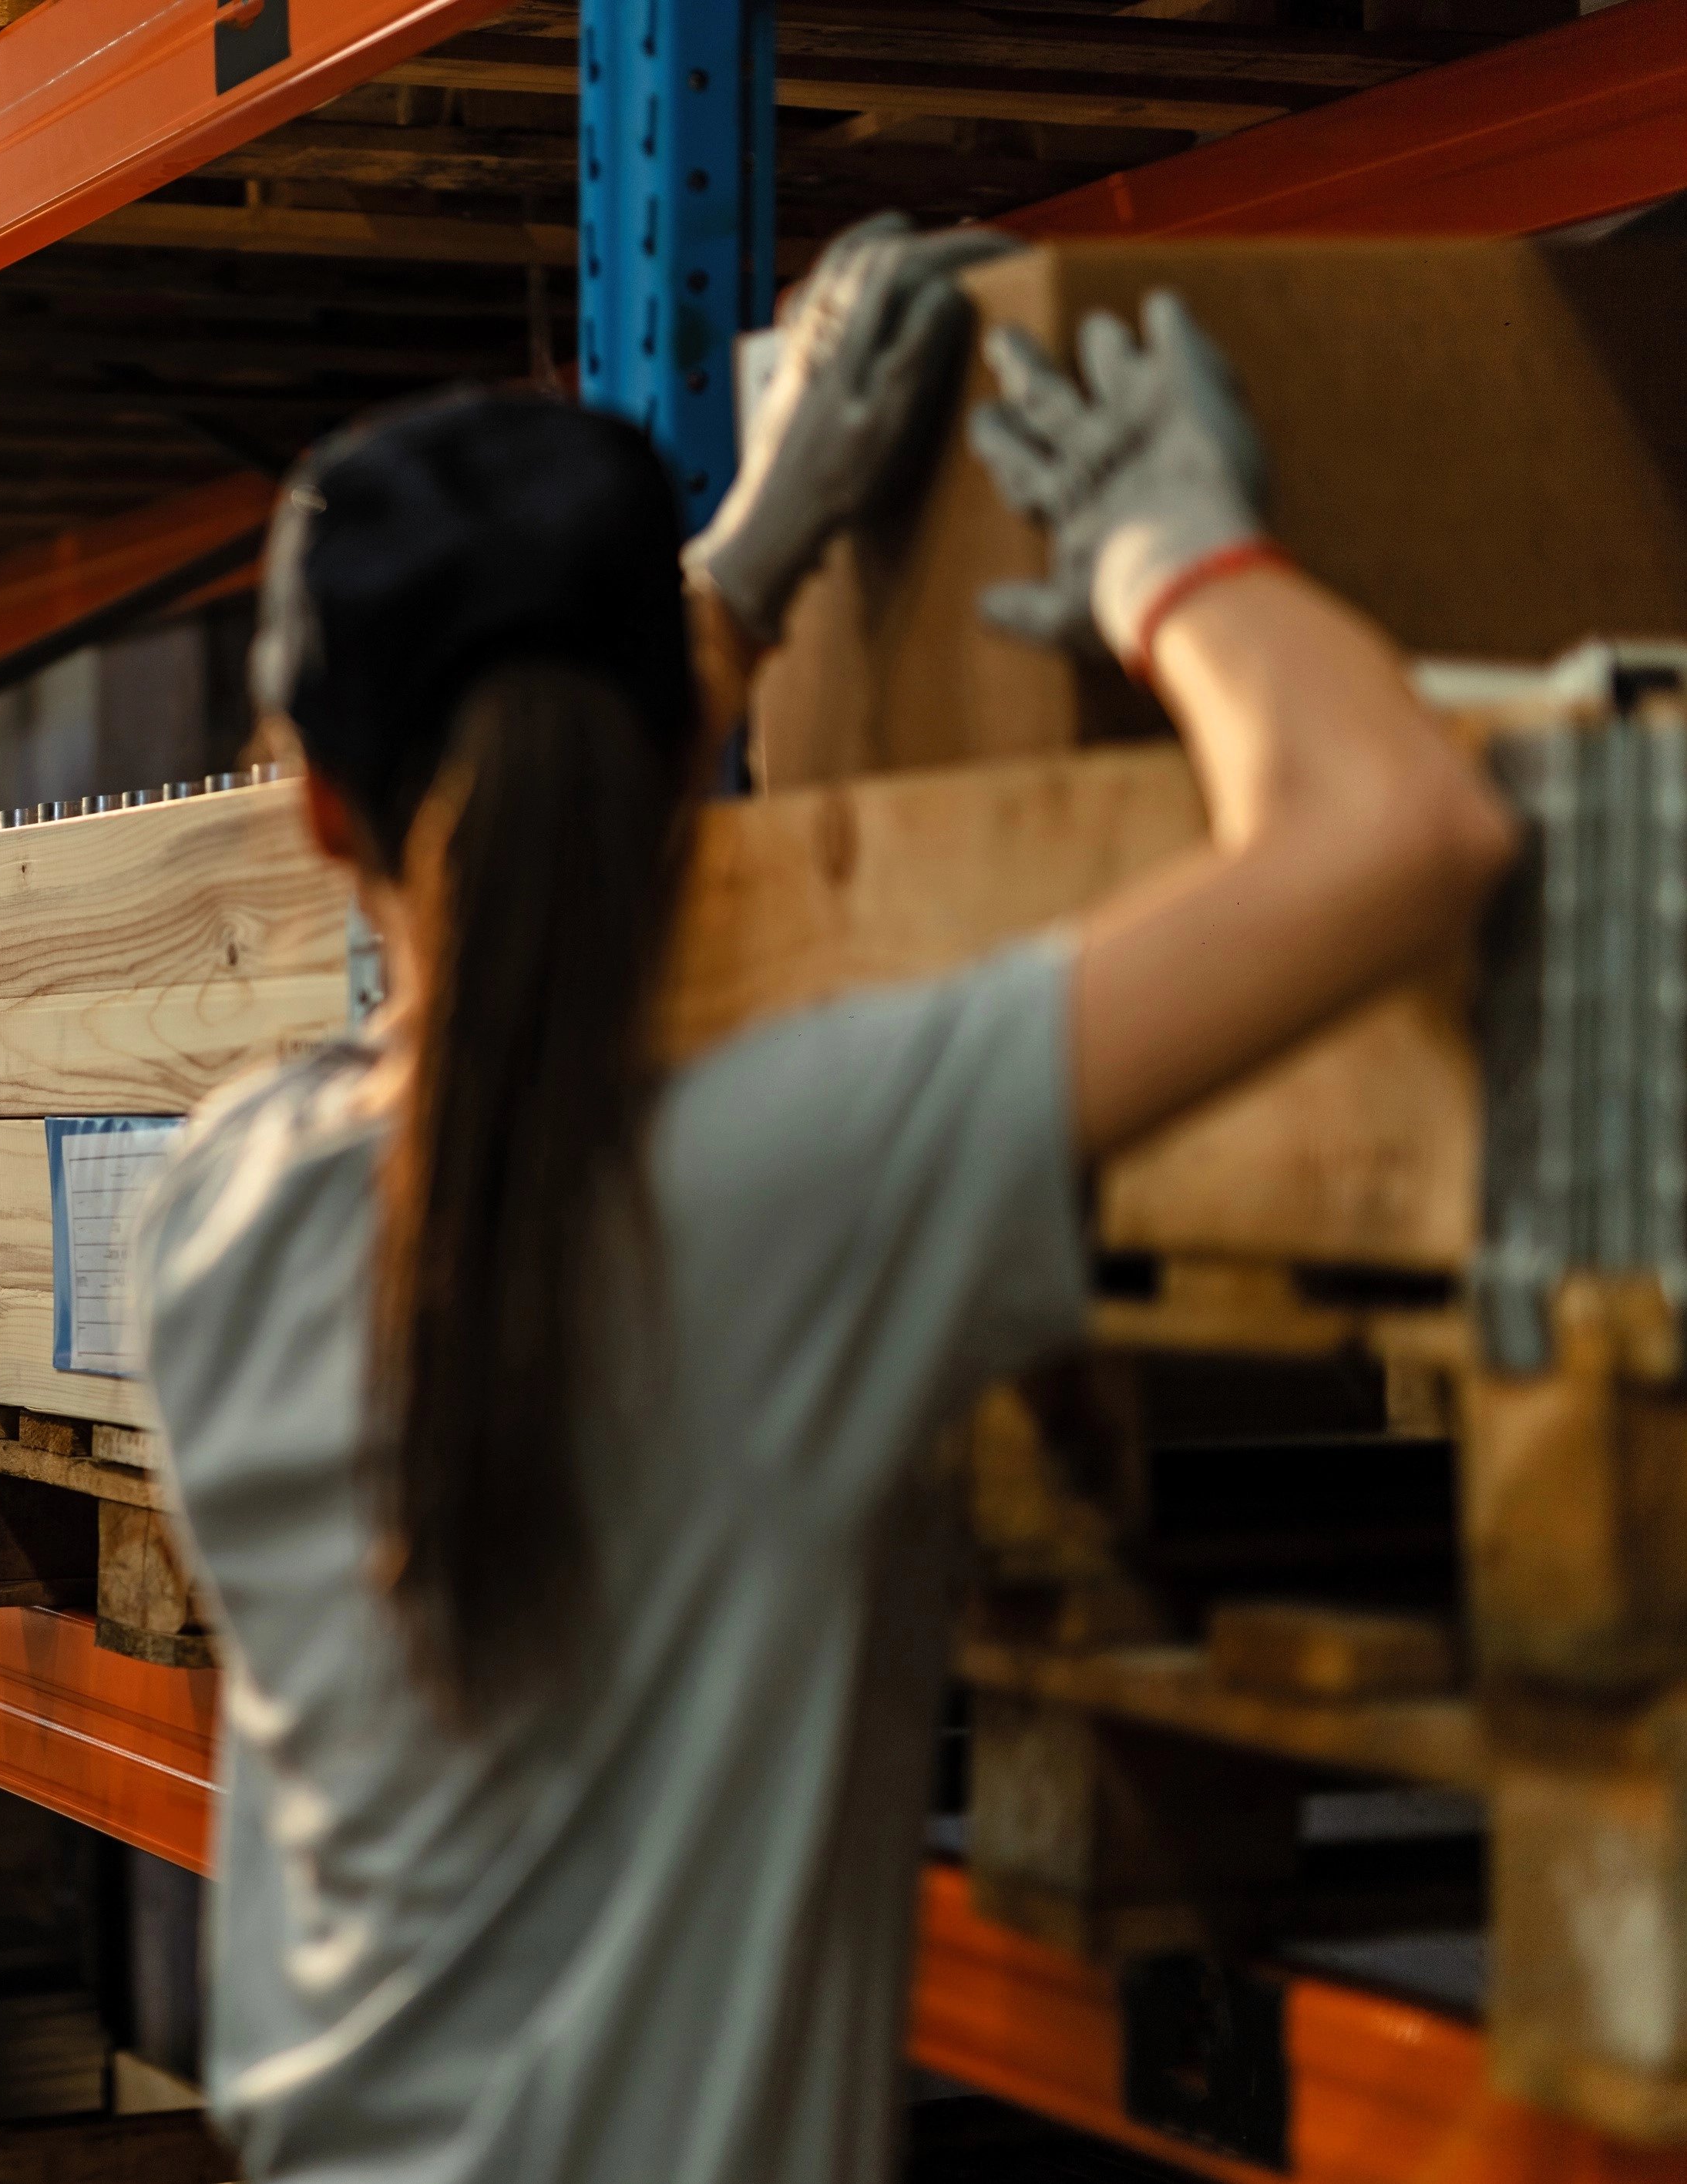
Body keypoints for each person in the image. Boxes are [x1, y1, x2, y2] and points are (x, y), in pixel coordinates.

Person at [133, 219, 1521, 2184]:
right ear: (666, 742)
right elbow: (1402, 821)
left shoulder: (217, 1217)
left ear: (311, 806)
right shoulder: (788, 1187)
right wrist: (1166, 547)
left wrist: (743, 564)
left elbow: (522, 876)